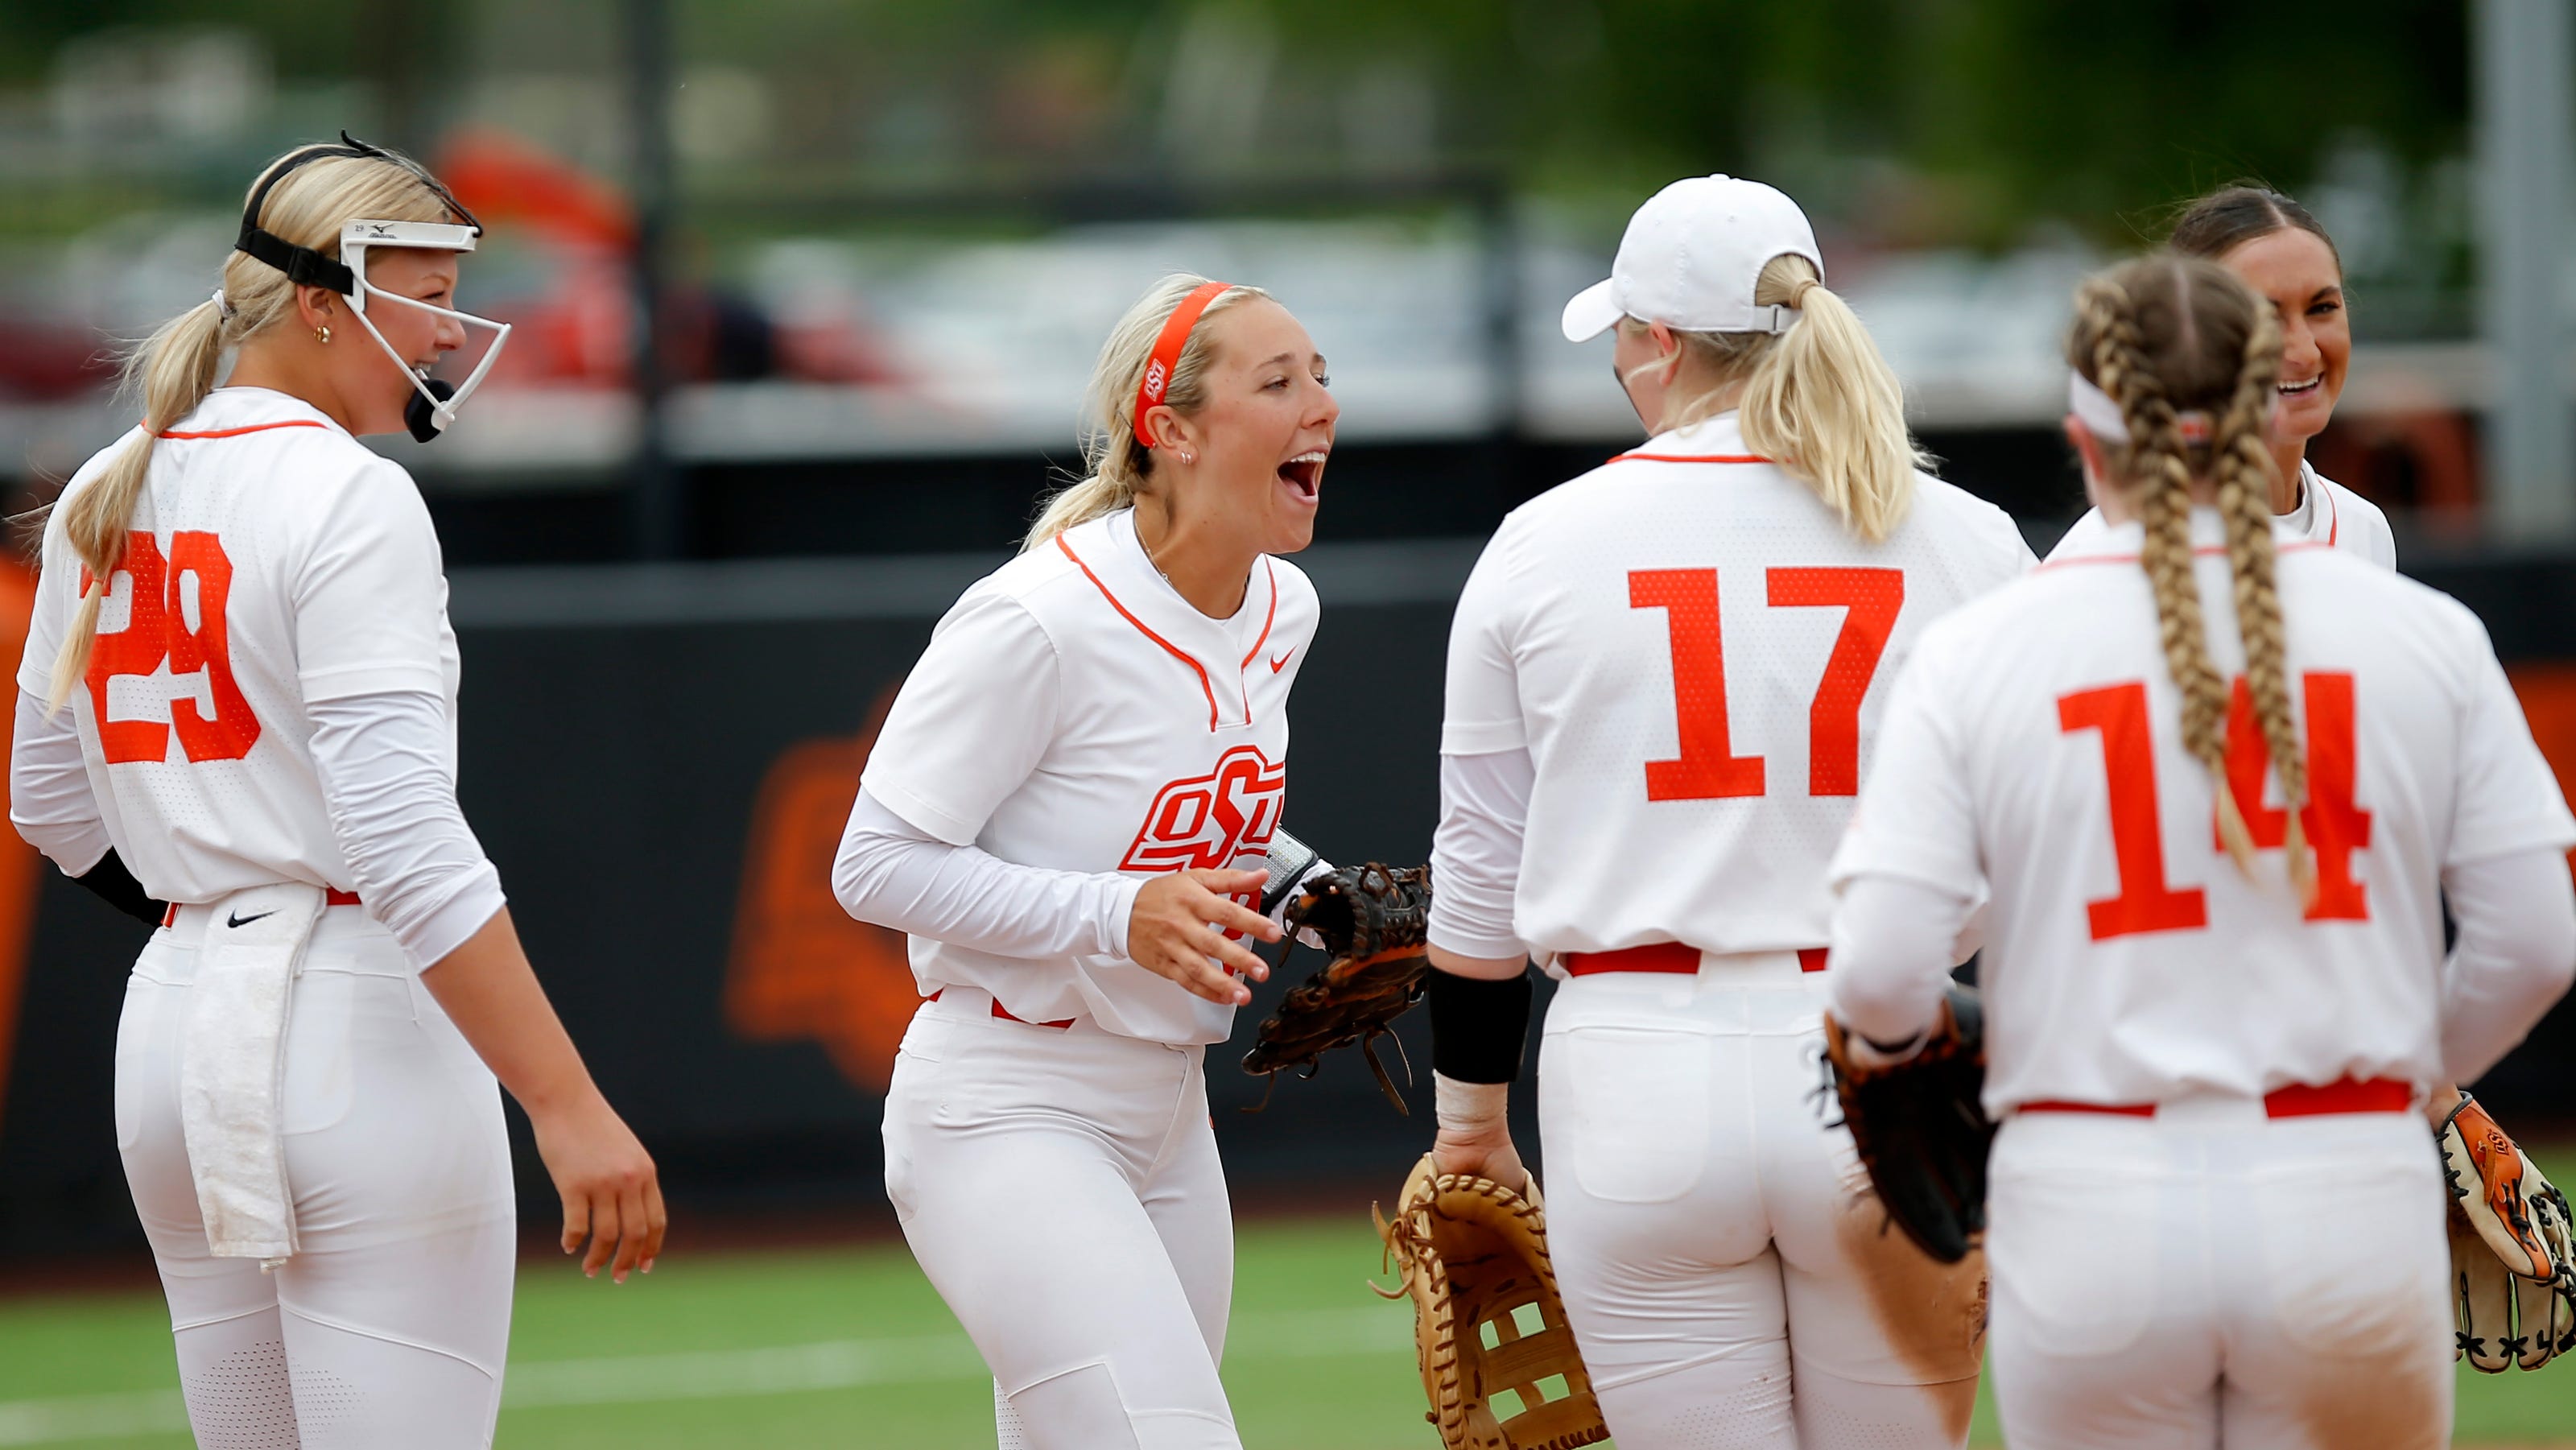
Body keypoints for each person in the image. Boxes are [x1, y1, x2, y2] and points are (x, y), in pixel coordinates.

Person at [1823, 253, 2576, 1449]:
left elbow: (1873, 974)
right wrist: (2406, 1073)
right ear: (2262, 402)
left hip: (2092, 1194)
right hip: (2343, 1184)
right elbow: (2536, 941)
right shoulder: (2422, 631)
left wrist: (1927, 1070)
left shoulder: (1983, 649)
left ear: (2082, 429)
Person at [8, 135, 663, 1448]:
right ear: (320, 299)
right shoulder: (349, 493)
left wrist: (226, 908)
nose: (446, 328)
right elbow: (407, 845)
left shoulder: (104, 484)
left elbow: (47, 803)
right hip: (353, 1027)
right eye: (418, 288)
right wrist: (568, 1102)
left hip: (177, 1024)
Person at [1416, 175, 2034, 1449]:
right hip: (1894, 1054)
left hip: (1636, 1068)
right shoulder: (1970, 539)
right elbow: (2045, 862)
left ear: (1656, 343)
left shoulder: (1540, 543)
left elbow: (1477, 879)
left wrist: (1471, 1122)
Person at [834, 274, 1335, 1450]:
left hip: (1167, 1113)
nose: (1318, 405)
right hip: (1006, 1104)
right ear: (1170, 429)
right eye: (1278, 381)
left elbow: (1196, 825)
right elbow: (875, 863)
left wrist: (1320, 897)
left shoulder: (1285, 606)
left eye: (1322, 376)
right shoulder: (1039, 616)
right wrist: (1120, 915)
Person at [2050, 184, 2393, 565]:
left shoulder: (2364, 529)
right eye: (2264, 317)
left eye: (2322, 307)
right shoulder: (2095, 556)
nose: (2305, 352)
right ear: (2190, 331)